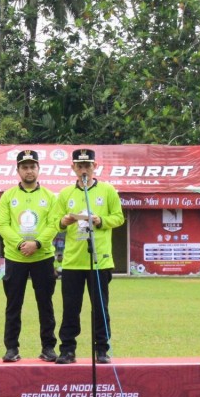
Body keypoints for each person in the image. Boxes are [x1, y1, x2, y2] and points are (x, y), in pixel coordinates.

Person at [53, 148, 125, 364]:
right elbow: (55, 222)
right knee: (70, 308)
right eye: (80, 166)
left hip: (99, 260)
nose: (84, 170)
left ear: (95, 167)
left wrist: (100, 221)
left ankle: (102, 349)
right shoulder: (66, 194)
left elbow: (119, 217)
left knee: (100, 308)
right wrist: (63, 222)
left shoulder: (108, 190)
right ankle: (67, 350)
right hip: (74, 261)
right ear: (73, 168)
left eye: (88, 165)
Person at [0, 149, 60, 363]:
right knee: (13, 305)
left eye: (33, 166)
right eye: (25, 167)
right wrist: (21, 244)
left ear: (38, 169)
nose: (29, 170)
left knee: (46, 304)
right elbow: (3, 225)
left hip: (43, 258)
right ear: (18, 170)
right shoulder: (8, 196)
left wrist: (38, 243)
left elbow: (54, 224)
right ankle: (11, 348)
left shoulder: (50, 197)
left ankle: (48, 347)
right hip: (15, 258)